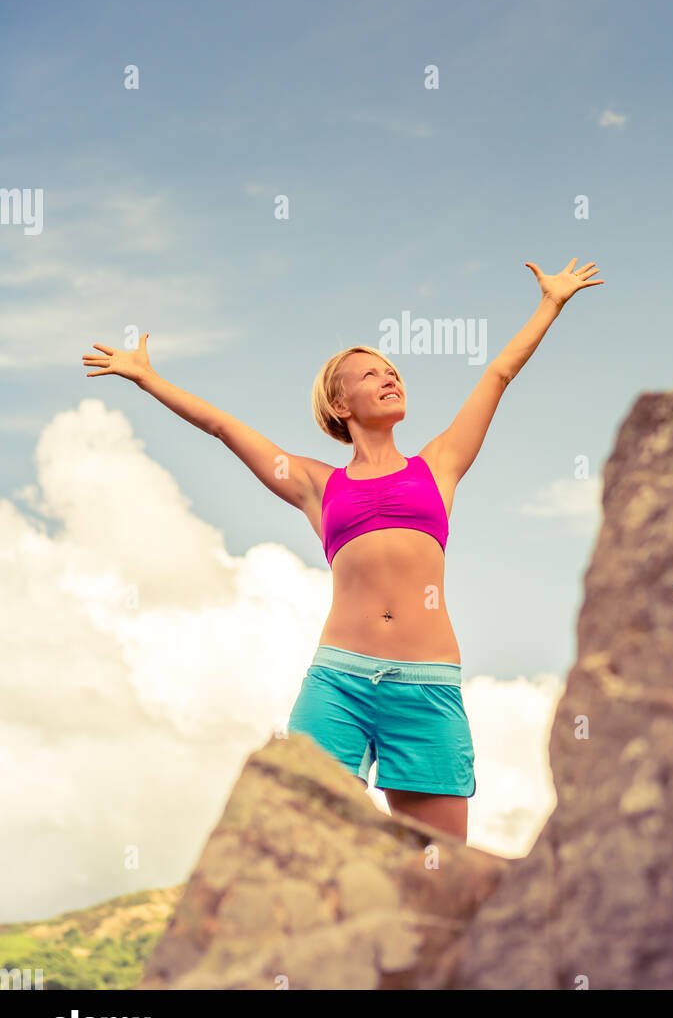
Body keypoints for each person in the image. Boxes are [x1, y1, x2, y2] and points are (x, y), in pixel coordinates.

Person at [82, 257, 603, 842]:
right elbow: (225, 428)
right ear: (339, 404)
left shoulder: (440, 464)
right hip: (339, 683)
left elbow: (498, 375)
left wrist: (550, 304)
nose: (388, 377)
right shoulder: (316, 485)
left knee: (434, 865)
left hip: (427, 685)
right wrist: (149, 378)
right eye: (370, 373)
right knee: (298, 835)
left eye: (392, 370)